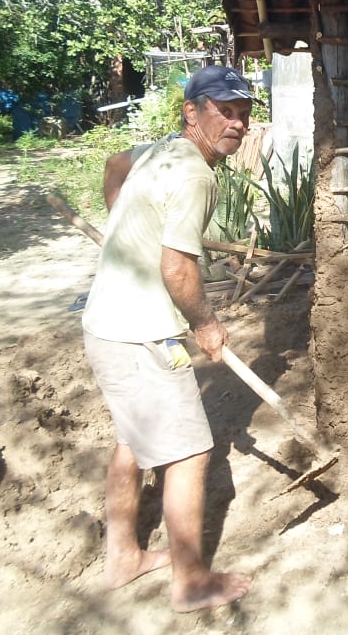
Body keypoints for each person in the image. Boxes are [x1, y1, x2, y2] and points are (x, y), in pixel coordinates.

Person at [81, 65, 258, 611]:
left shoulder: (161, 151)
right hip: (142, 335)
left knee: (133, 443)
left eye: (244, 114)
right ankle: (191, 583)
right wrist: (207, 324)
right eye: (224, 111)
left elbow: (115, 163)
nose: (237, 123)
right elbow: (178, 268)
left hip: (105, 324)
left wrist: (125, 227)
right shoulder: (195, 174)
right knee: (190, 452)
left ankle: (123, 558)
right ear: (192, 112)